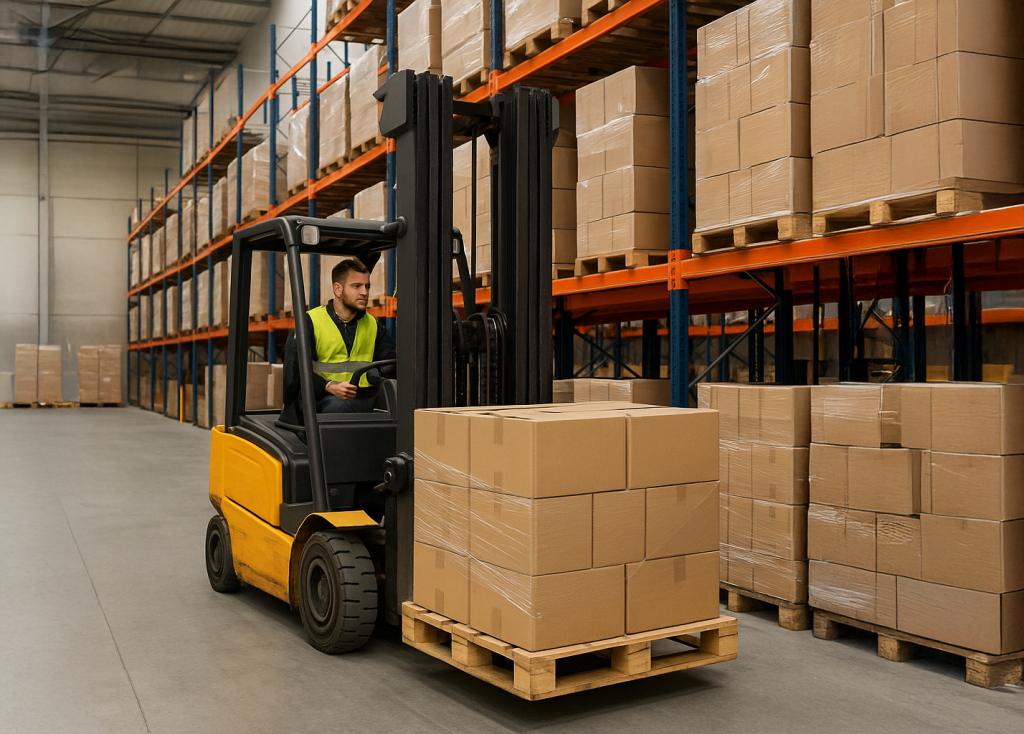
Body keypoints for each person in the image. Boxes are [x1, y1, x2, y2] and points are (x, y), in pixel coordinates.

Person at [281, 258, 395, 420]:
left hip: (362, 400)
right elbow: (294, 372)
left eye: (367, 286)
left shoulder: (373, 325)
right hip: (321, 400)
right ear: (338, 289)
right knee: (339, 409)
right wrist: (329, 386)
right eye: (356, 286)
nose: (364, 292)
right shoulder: (311, 322)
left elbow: (390, 364)